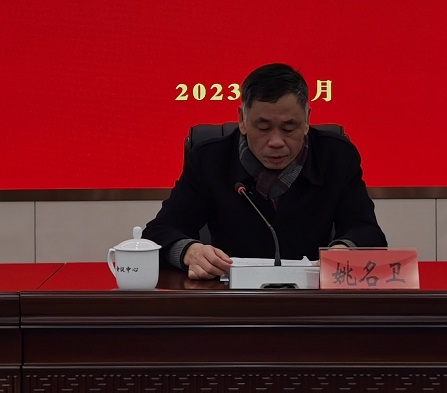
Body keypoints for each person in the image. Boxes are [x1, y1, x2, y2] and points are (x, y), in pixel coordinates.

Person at [143, 63, 387, 280]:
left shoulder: (336, 157)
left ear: (307, 120)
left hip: (313, 300)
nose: (276, 142)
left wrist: (344, 250)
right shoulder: (210, 159)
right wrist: (189, 251)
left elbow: (368, 232)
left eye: (289, 128)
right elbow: (158, 232)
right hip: (231, 300)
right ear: (242, 119)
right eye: (263, 127)